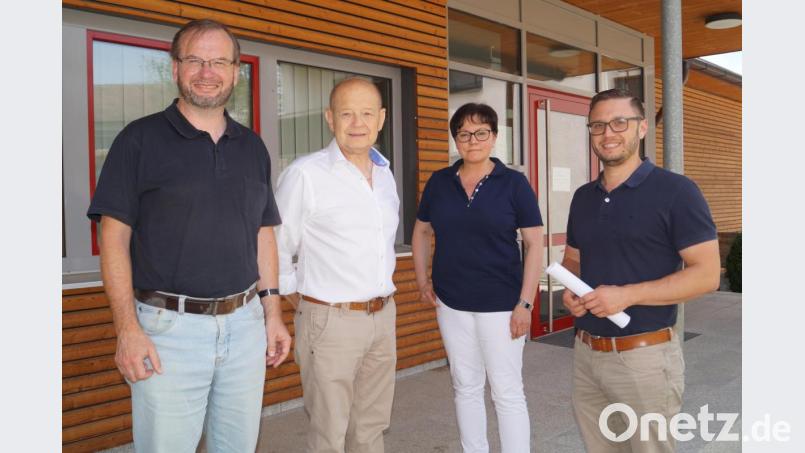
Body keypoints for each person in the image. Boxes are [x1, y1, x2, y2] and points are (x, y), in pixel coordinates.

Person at [87, 19, 291, 453]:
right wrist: (127, 328)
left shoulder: (252, 147)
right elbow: (114, 240)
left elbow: (263, 235)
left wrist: (272, 313)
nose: (207, 71)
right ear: (175, 67)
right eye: (195, 59)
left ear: (236, 71)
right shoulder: (138, 140)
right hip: (167, 332)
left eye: (219, 61)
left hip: (244, 326)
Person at [562, 88, 721, 452]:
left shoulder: (677, 191)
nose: (608, 133)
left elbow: (706, 274)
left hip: (644, 359)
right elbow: (574, 257)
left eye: (620, 122)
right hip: (586, 355)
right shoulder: (583, 197)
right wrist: (571, 290)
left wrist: (628, 295)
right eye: (598, 125)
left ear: (643, 127)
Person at [274, 77, 399, 453]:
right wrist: (302, 301)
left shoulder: (385, 176)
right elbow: (276, 244)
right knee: (329, 432)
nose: (357, 123)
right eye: (347, 113)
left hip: (382, 318)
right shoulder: (305, 175)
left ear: (381, 118)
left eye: (366, 114)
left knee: (372, 427)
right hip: (330, 322)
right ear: (330, 118)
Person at [412, 102, 544, 453]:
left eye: (481, 132)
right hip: (451, 303)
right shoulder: (440, 182)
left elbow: (534, 244)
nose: (473, 140)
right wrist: (422, 280)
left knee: (507, 391)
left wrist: (525, 303)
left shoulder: (514, 183)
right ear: (456, 139)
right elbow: (421, 231)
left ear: (495, 137)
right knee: (465, 387)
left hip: (502, 305)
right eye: (464, 133)